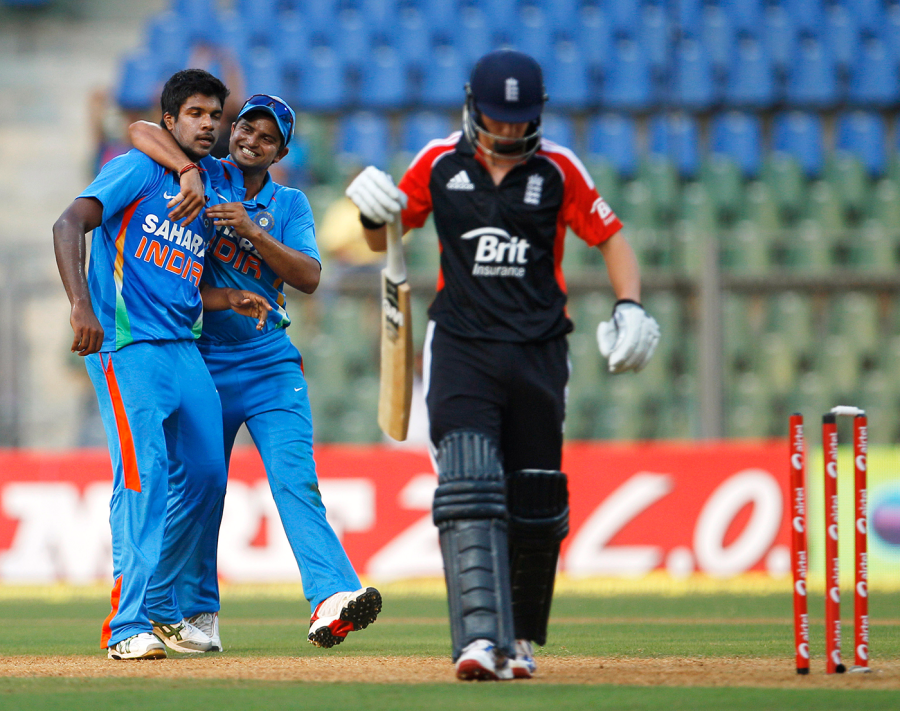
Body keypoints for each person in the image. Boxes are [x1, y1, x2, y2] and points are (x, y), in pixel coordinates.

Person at [346, 49, 660, 681]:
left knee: (534, 499)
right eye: (498, 116)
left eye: (520, 118)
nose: (510, 128)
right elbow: (386, 239)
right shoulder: (438, 162)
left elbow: (611, 237)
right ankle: (478, 640)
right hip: (462, 346)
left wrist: (629, 304)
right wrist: (373, 216)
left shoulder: (559, 168)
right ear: (473, 107)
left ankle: (517, 641)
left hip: (540, 350)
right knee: (468, 485)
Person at [128, 93, 382, 652]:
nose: (252, 141)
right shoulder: (203, 173)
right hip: (203, 362)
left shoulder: (289, 203)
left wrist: (252, 230)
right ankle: (193, 611)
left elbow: (309, 277)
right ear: (233, 129)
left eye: (267, 138)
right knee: (201, 488)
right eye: (246, 128)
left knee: (296, 481)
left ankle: (331, 596)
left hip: (270, 362)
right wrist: (187, 170)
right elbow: (140, 130)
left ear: (280, 153)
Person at [53, 69, 271, 661]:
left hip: (184, 350)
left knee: (207, 477)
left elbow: (179, 279)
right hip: (129, 350)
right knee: (142, 478)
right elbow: (68, 222)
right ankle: (126, 627)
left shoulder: (210, 188)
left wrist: (228, 297)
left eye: (215, 115)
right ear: (172, 120)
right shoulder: (138, 169)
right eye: (195, 113)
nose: (208, 124)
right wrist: (79, 304)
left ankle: (160, 603)